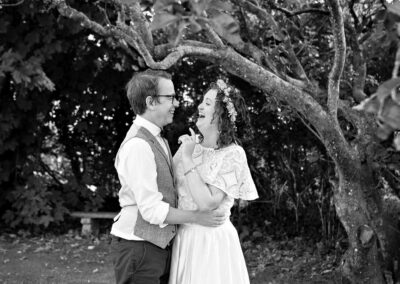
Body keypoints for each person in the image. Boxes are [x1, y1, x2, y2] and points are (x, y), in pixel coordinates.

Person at [110, 70, 226, 284]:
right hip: (139, 247)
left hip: (156, 246)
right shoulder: (138, 145)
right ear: (151, 102)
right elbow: (152, 210)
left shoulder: (158, 139)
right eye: (170, 97)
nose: (176, 103)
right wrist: (197, 217)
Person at [169, 79, 259, 284]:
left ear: (222, 115)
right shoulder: (189, 147)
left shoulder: (233, 154)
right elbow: (167, 186)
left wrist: (188, 159)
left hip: (211, 243)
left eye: (208, 103)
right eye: (202, 101)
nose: (200, 106)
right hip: (184, 238)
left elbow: (208, 203)